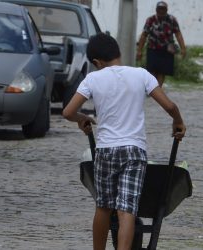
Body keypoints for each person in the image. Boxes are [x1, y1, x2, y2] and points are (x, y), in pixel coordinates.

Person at [62, 33, 186, 250]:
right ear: (118, 53)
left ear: (96, 63)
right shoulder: (141, 74)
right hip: (133, 150)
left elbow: (68, 112)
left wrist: (82, 119)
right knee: (126, 210)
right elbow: (170, 106)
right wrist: (178, 122)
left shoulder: (93, 79)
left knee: (103, 207)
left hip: (105, 151)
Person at [136, 1, 186, 88]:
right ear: (156, 10)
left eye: (163, 9)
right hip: (153, 48)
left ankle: (157, 89)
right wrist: (139, 51)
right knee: (151, 70)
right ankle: (151, 88)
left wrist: (183, 48)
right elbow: (144, 35)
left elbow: (178, 34)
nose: (161, 11)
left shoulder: (172, 20)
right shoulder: (150, 20)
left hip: (167, 50)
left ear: (167, 10)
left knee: (162, 71)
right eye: (160, 9)